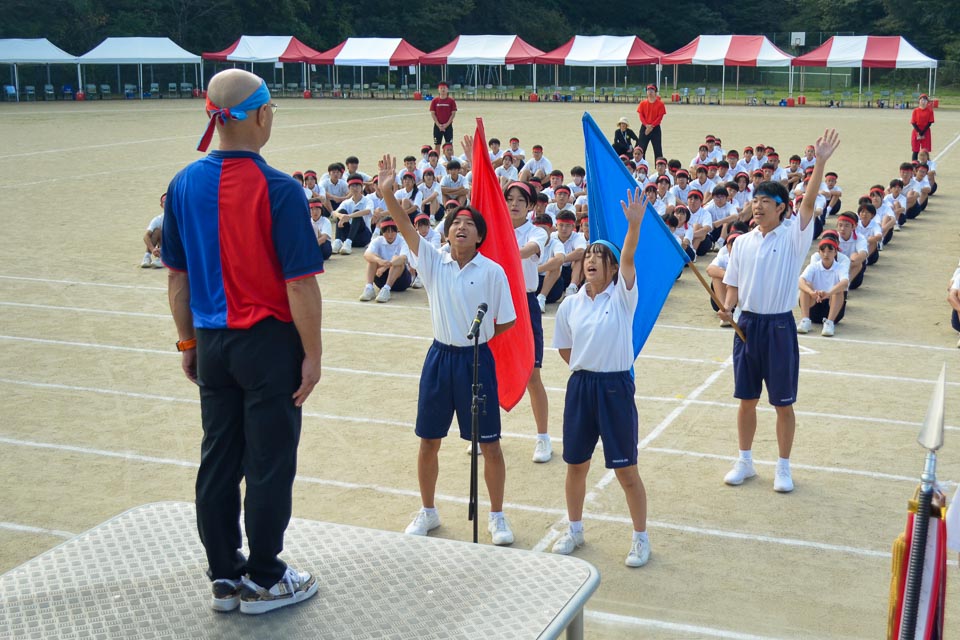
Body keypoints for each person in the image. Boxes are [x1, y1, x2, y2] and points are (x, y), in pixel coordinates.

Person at [163, 69, 323, 615]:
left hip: (211, 341)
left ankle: (224, 576)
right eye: (272, 107)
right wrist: (313, 354)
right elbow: (299, 282)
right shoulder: (279, 188)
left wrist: (188, 344)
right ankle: (265, 576)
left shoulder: (184, 183)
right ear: (258, 114)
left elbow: (177, 278)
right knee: (269, 462)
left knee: (218, 457)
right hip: (268, 343)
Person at [377, 153, 518, 546]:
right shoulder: (433, 262)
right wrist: (388, 193)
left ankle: (497, 516)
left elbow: (506, 320)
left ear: (479, 237)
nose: (460, 228)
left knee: (489, 443)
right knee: (428, 440)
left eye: (468, 225)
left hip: (476, 361)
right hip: (440, 358)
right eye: (455, 223)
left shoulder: (492, 272)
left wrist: (481, 336)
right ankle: (428, 511)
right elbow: (405, 226)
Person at [718, 128, 840, 494]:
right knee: (746, 400)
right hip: (747, 325)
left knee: (783, 403)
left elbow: (809, 201)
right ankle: (745, 460)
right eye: (755, 201)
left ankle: (783, 467)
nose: (757, 206)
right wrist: (727, 309)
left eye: (766, 202)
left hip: (780, 327)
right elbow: (733, 287)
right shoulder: (741, 243)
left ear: (782, 208)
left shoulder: (793, 235)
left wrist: (819, 163)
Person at [551, 188, 651, 568]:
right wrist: (585, 366)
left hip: (615, 387)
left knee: (626, 470)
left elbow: (628, 256)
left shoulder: (622, 297)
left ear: (612, 270)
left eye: (601, 258)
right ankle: (575, 530)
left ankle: (640, 538)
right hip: (581, 387)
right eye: (589, 255)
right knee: (576, 464)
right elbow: (564, 349)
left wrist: (634, 226)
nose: (593, 261)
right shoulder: (571, 304)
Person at [505, 180, 553, 463]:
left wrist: (501, 247)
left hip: (525, 304)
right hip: (498, 303)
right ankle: (484, 433)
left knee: (533, 375)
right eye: (509, 198)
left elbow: (528, 250)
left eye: (520, 199)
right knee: (488, 370)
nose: (514, 203)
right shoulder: (493, 227)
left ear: (531, 205)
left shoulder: (537, 231)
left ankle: (543, 438)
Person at [797, 236, 849, 337]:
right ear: (819, 252)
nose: (826, 254)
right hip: (814, 303)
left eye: (830, 251)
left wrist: (828, 293)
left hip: (832, 307)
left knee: (838, 290)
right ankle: (805, 320)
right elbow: (800, 281)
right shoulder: (814, 266)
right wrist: (812, 292)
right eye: (823, 250)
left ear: (835, 252)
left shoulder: (840, 267)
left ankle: (829, 323)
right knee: (806, 286)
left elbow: (845, 283)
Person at [636, 84, 665, 161]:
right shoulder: (642, 103)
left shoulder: (660, 104)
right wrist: (646, 125)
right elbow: (641, 115)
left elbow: (660, 117)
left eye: (652, 91)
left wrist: (651, 126)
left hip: (655, 128)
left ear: (655, 92)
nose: (650, 92)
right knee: (641, 148)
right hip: (644, 127)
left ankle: (660, 166)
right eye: (648, 90)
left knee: (657, 149)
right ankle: (640, 166)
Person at [430, 82, 457, 153]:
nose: (443, 90)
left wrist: (447, 124)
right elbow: (433, 113)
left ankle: (450, 161)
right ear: (438, 90)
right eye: (441, 88)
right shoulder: (435, 101)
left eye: (444, 88)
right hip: (437, 126)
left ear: (447, 89)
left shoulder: (451, 101)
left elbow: (453, 114)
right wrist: (438, 124)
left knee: (449, 145)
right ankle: (437, 160)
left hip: (448, 126)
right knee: (437, 144)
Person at [141, 193, 166, 268]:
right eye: (165, 202)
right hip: (162, 245)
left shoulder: (180, 218)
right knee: (156, 231)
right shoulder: (157, 219)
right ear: (161, 205)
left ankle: (164, 257)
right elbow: (146, 236)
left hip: (175, 247)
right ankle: (147, 257)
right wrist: (153, 249)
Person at [911, 94, 934, 160]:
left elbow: (930, 122)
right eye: (921, 100)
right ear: (919, 101)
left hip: (925, 131)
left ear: (927, 102)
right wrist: (919, 132)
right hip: (916, 131)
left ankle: (926, 165)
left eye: (925, 100)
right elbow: (913, 122)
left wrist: (923, 132)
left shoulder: (930, 111)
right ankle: (914, 165)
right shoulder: (915, 110)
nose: (923, 101)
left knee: (925, 150)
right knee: (915, 150)